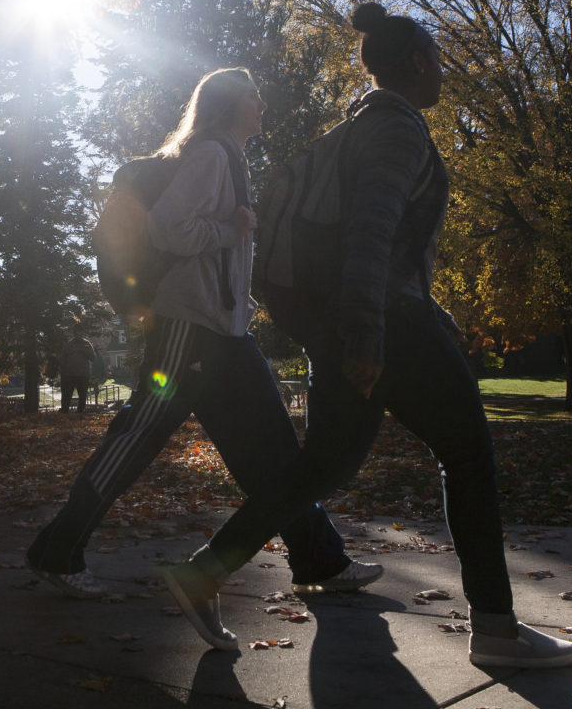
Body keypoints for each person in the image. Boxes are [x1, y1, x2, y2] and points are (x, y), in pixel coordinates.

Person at [160, 6, 572, 669]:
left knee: (324, 464)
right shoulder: (395, 127)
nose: (442, 72)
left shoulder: (354, 129)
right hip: (380, 322)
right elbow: (370, 229)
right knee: (468, 453)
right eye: (438, 60)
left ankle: (206, 570)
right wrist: (368, 331)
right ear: (417, 64)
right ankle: (498, 630)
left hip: (350, 318)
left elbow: (384, 244)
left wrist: (392, 316)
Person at [26, 68, 384, 599]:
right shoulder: (211, 154)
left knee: (274, 451)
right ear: (227, 104)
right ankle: (57, 550)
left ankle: (320, 558)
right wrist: (230, 230)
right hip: (189, 329)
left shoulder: (230, 157)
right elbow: (169, 227)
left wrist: (239, 273)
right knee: (135, 441)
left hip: (226, 334)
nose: (262, 103)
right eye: (252, 95)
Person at [57, 334, 96, 413]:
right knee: (67, 396)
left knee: (82, 395)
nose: (79, 334)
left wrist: (87, 351)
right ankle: (65, 412)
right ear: (75, 333)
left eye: (80, 331)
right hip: (69, 374)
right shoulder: (69, 345)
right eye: (77, 331)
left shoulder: (86, 344)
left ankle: (80, 412)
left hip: (82, 374)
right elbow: (63, 359)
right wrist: (62, 372)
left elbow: (93, 358)